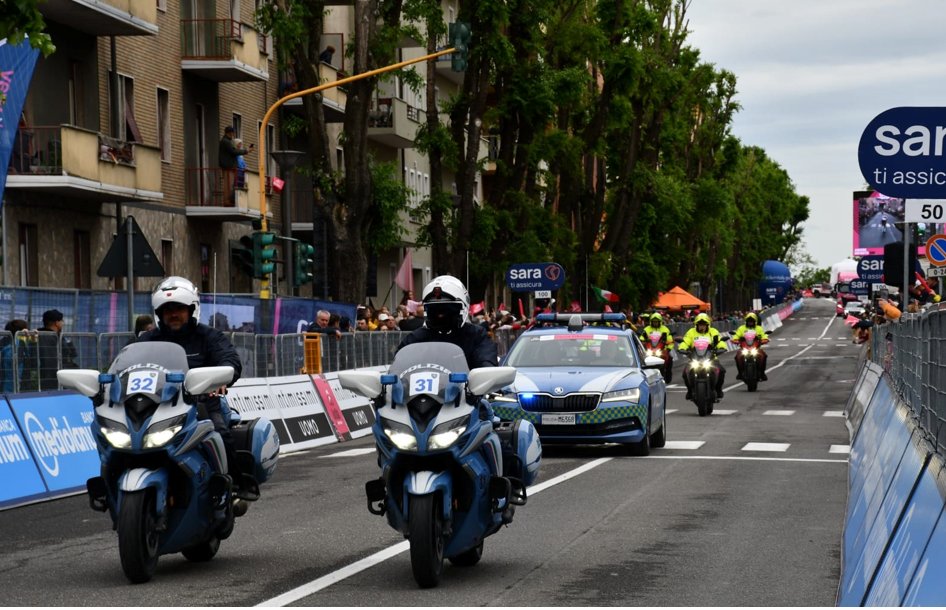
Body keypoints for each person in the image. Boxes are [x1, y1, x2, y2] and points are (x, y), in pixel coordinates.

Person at [137, 277, 247, 492]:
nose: (173, 314)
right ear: (159, 314)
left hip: (201, 403)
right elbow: (125, 365)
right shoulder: (147, 339)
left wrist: (222, 378)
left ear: (191, 309)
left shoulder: (208, 336)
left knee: (219, 433)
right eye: (167, 309)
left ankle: (235, 485)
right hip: (156, 406)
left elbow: (229, 359)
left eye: (179, 308)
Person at [398, 275, 497, 370]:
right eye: (434, 310)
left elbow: (487, 365)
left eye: (447, 309)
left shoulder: (476, 336)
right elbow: (398, 368)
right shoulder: (415, 339)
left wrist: (486, 373)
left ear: (463, 308)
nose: (440, 315)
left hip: (468, 387)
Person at [678, 312, 727, 400]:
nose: (702, 327)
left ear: (707, 325)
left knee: (722, 371)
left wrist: (721, 347)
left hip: (710, 358)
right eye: (700, 325)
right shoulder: (691, 332)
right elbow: (685, 341)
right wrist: (682, 348)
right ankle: (690, 391)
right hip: (695, 358)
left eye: (704, 325)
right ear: (696, 325)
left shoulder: (713, 332)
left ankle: (718, 390)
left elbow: (719, 341)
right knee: (685, 372)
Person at [37, 309, 78, 391]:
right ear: (56, 323)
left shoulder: (58, 336)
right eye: (62, 320)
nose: (63, 323)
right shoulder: (48, 337)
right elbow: (70, 354)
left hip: (54, 376)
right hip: (53, 377)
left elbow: (73, 354)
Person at [731, 312, 770, 382]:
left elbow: (764, 335)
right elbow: (736, 336)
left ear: (755, 322)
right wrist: (735, 340)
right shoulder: (741, 328)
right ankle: (740, 373)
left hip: (755, 348)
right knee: (737, 356)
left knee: (763, 355)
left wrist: (765, 339)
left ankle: (762, 373)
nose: (750, 322)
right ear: (746, 321)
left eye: (752, 321)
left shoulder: (759, 328)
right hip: (745, 348)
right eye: (749, 321)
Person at [218, 126, 251, 204]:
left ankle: (229, 200)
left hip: (229, 166)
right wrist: (246, 151)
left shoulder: (227, 141)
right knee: (228, 184)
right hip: (228, 166)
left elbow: (234, 151)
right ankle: (227, 200)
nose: (233, 135)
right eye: (232, 133)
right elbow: (234, 152)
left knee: (231, 184)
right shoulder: (226, 141)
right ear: (229, 133)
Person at [1, 319, 32, 392]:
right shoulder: (11, 346)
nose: (29, 333)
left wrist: (32, 341)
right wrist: (22, 340)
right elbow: (15, 362)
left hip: (14, 387)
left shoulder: (5, 343)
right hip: (9, 389)